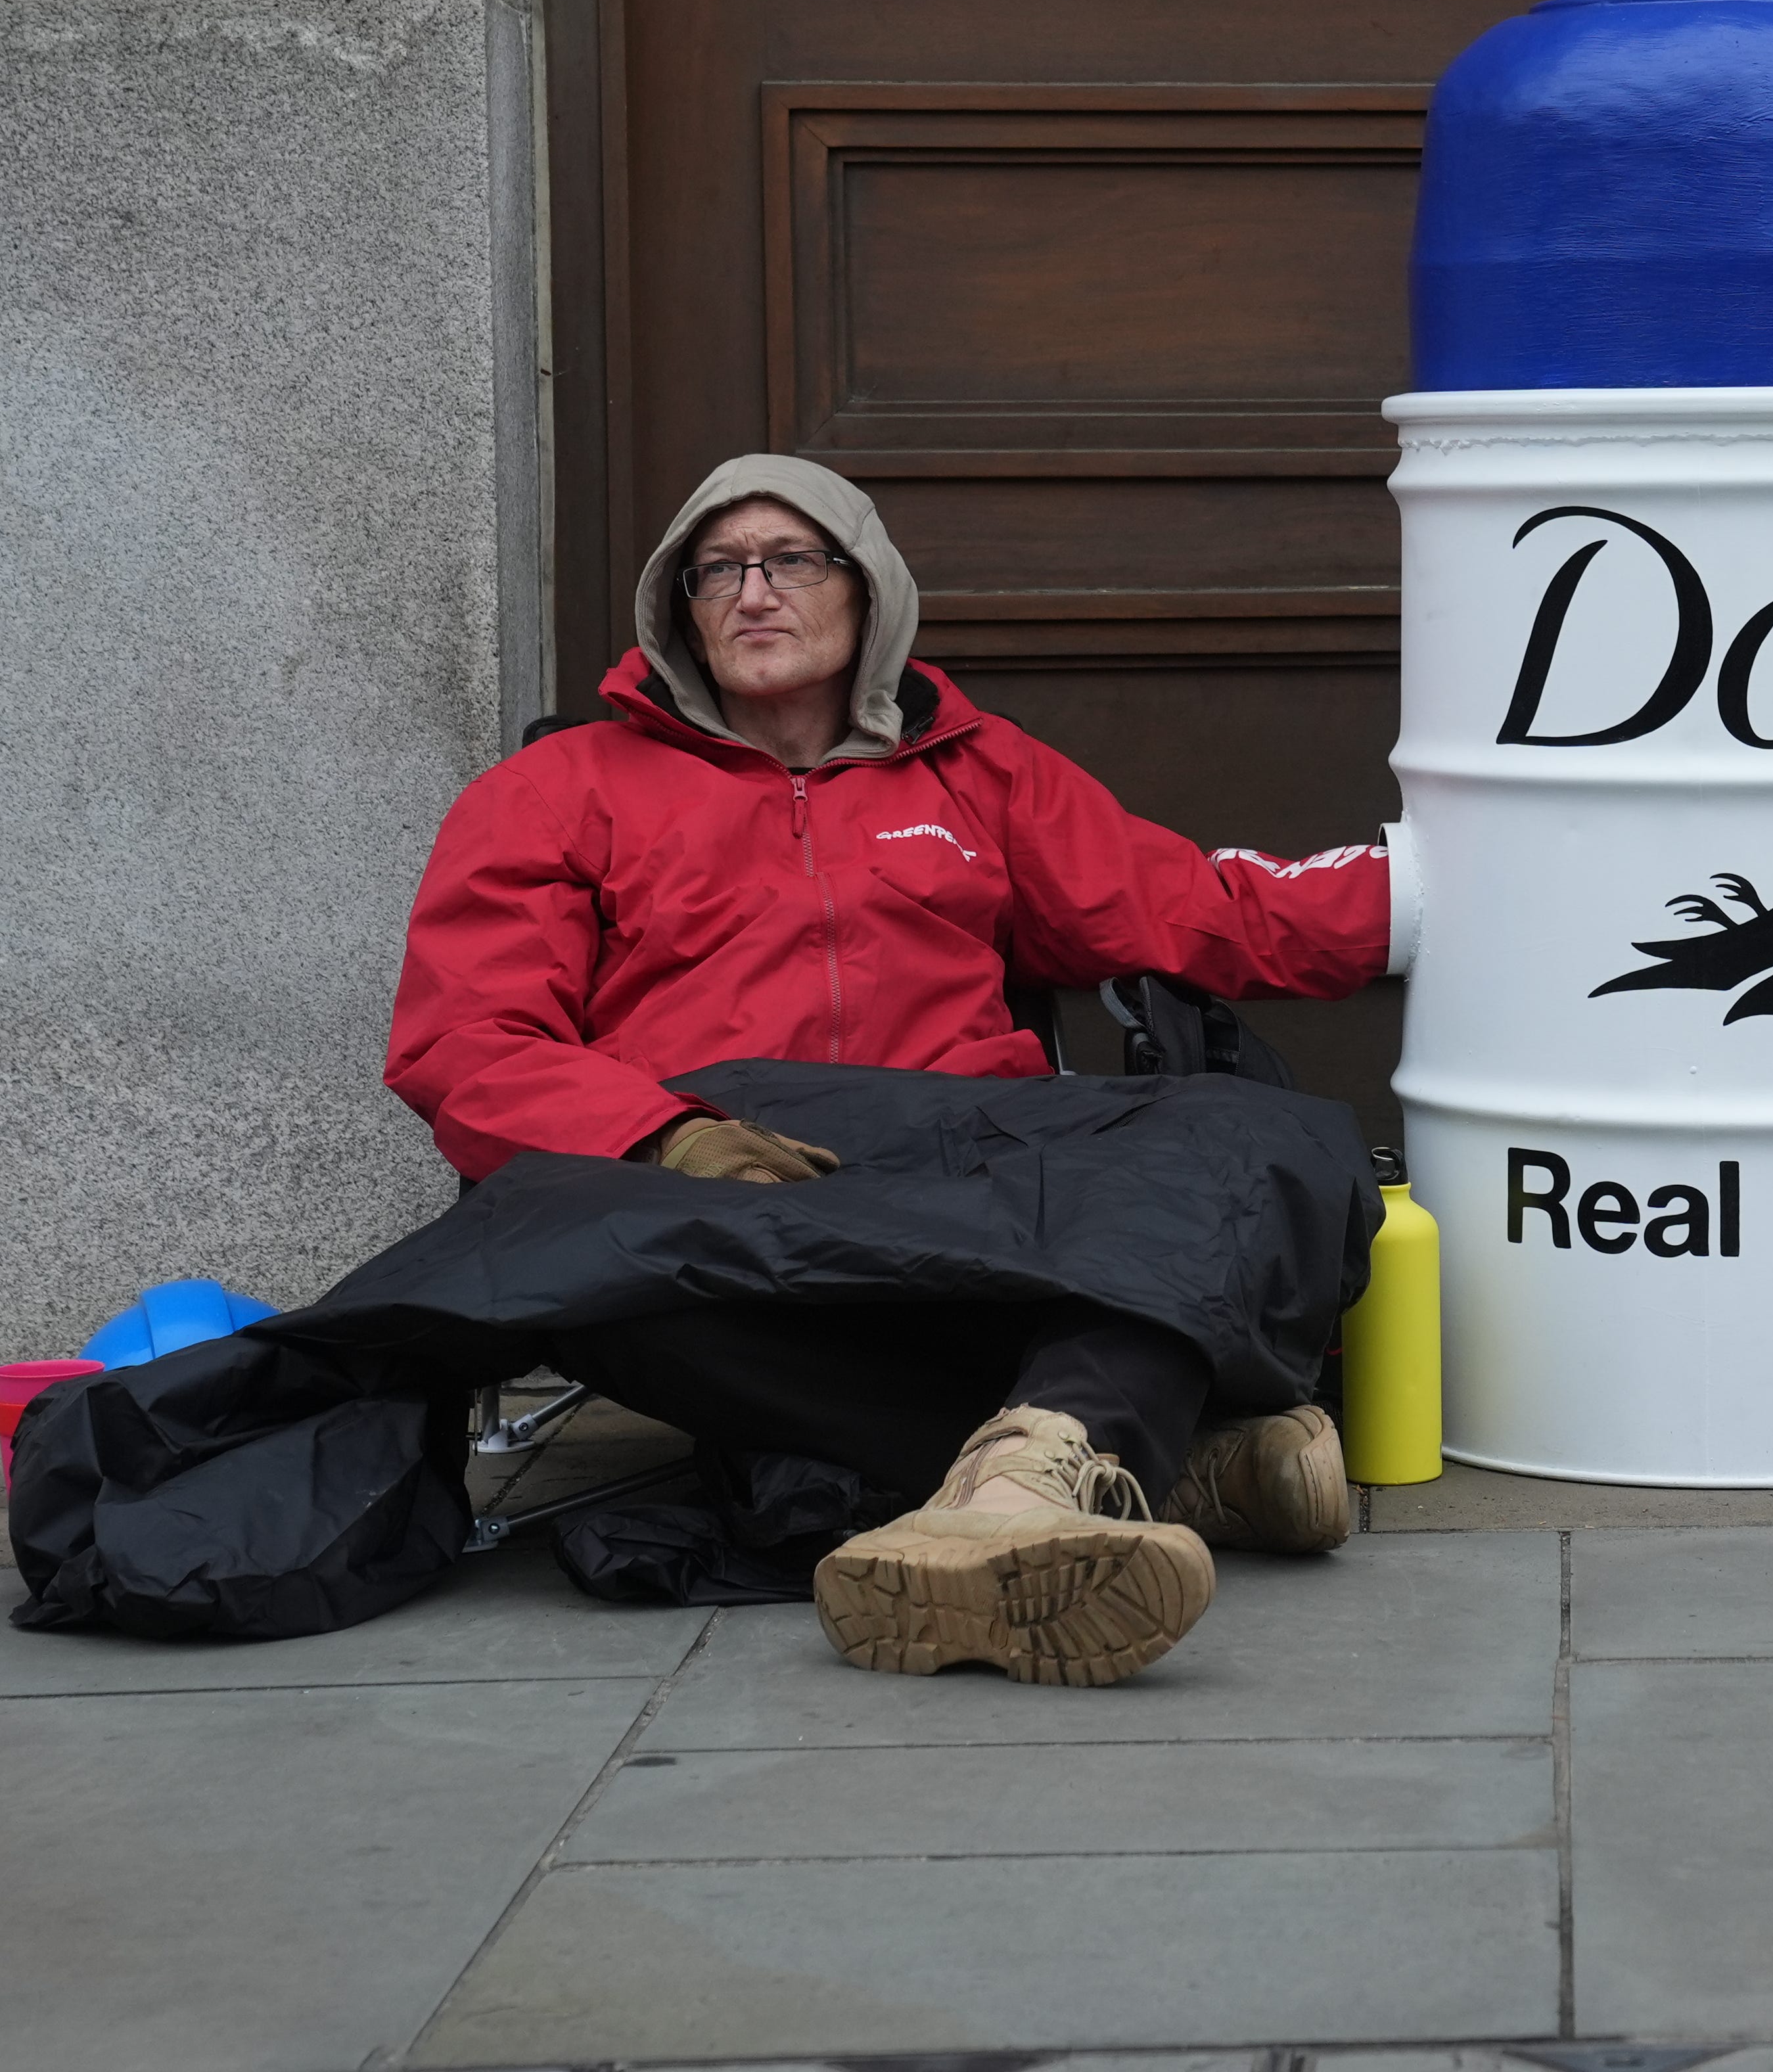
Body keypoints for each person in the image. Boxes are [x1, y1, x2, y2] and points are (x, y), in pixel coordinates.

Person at [386, 454, 1395, 1682]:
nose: (754, 593)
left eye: (792, 561)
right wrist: (663, 1135)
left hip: (963, 1165)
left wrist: (1480, 883)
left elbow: (1202, 911)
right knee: (551, 1257)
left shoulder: (979, 774)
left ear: (869, 592)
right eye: (717, 570)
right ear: (679, 610)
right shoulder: (556, 789)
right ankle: (1134, 1466)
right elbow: (466, 1042)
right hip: (714, 1184)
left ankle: (1033, 1472)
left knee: (1265, 1136)